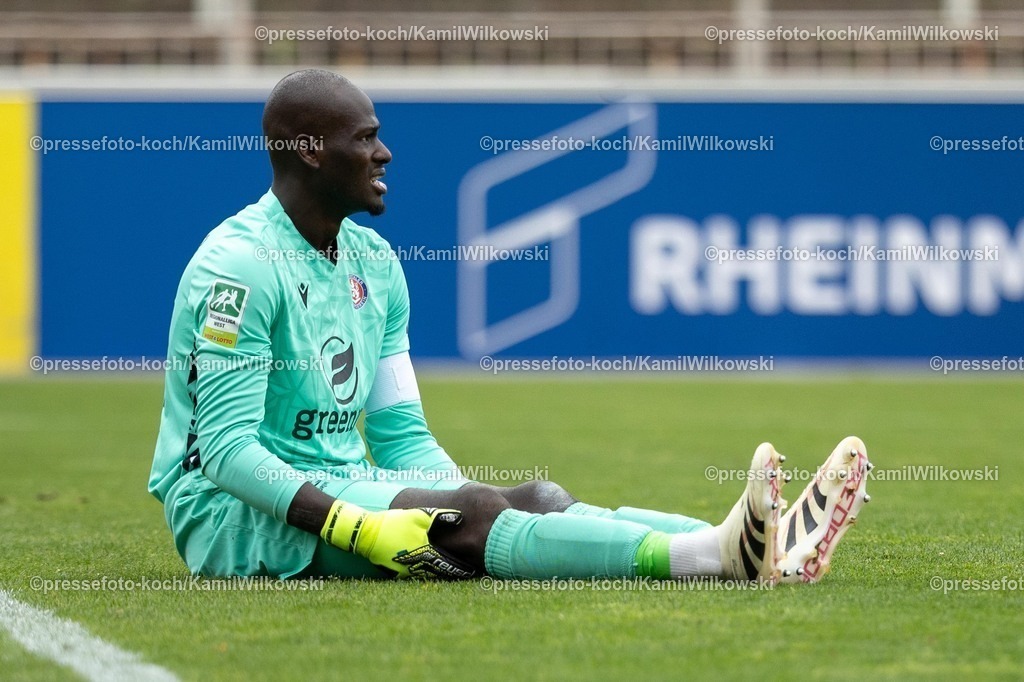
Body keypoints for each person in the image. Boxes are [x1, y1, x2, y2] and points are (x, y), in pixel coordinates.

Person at [149, 69, 871, 584]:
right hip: (232, 516)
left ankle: (765, 540)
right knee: (474, 515)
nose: (384, 152)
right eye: (365, 138)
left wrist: (469, 506)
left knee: (537, 500)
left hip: (342, 481)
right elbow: (225, 453)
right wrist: (359, 525)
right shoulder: (240, 267)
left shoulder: (374, 260)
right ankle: (714, 558)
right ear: (310, 150)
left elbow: (400, 436)